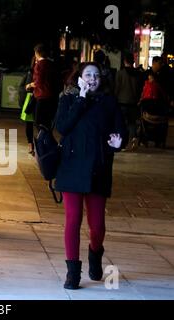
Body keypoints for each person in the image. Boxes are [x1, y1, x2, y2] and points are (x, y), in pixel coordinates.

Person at [54, 62, 127, 290]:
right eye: (88, 75)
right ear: (80, 78)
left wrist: (119, 142)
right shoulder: (68, 99)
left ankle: (95, 254)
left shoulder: (108, 102)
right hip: (71, 167)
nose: (93, 78)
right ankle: (72, 273)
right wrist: (81, 99)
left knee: (97, 225)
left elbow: (121, 130)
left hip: (98, 167)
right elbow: (63, 127)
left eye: (96, 75)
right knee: (73, 220)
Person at [26, 43, 60, 130]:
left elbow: (38, 82)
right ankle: (46, 140)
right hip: (52, 97)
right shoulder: (52, 64)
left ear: (37, 53)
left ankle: (43, 141)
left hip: (41, 97)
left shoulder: (39, 65)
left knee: (38, 122)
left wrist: (30, 85)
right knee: (47, 122)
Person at [114, 52, 142, 150]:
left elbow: (117, 88)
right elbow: (139, 89)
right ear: (133, 61)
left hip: (122, 102)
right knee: (132, 123)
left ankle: (124, 143)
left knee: (122, 123)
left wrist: (115, 99)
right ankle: (133, 138)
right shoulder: (138, 74)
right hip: (133, 102)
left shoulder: (120, 73)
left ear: (124, 61)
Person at [19, 56, 36, 155]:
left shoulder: (44, 73)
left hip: (40, 99)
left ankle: (41, 143)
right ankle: (30, 144)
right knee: (29, 123)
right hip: (30, 100)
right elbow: (21, 87)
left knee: (40, 123)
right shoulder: (29, 73)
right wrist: (29, 85)